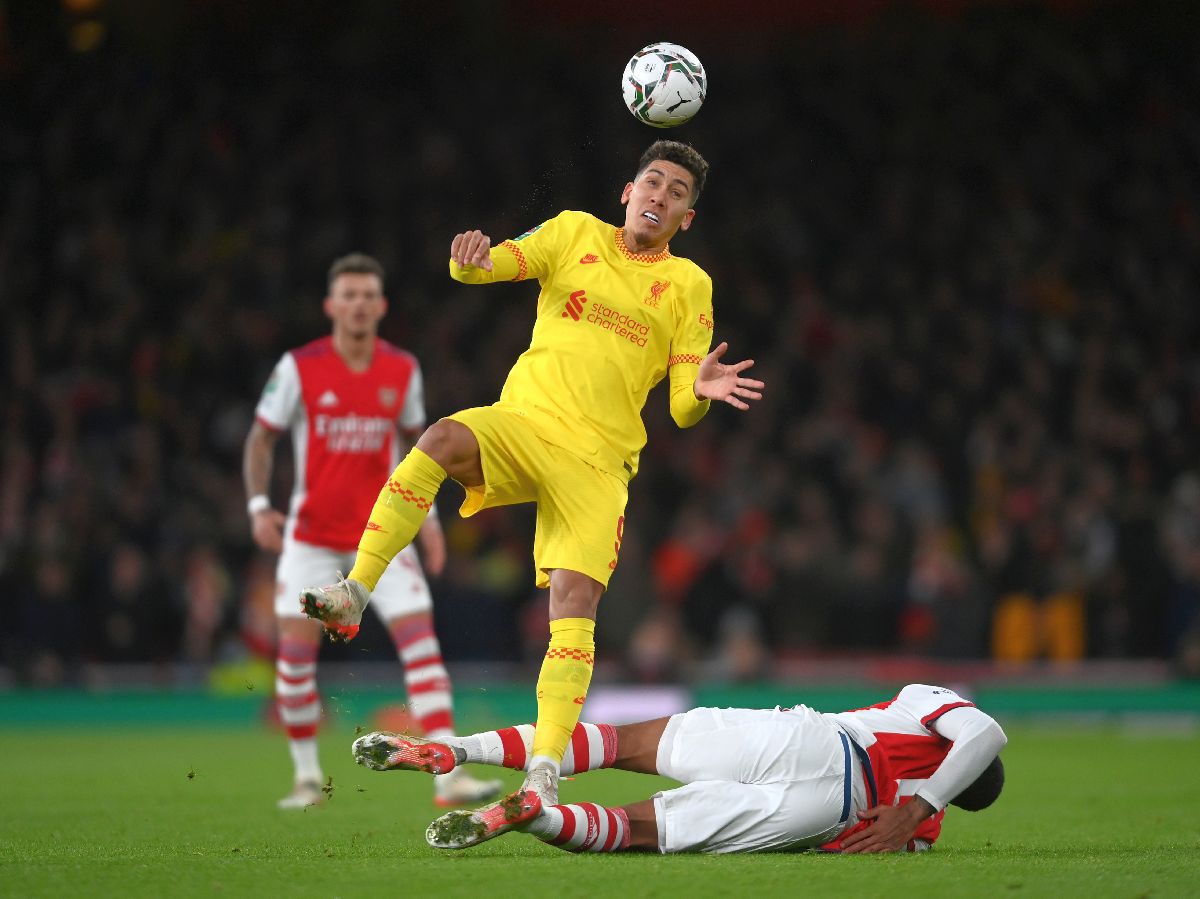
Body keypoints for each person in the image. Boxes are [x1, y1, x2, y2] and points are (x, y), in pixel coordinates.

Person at [298, 141, 766, 809]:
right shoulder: (572, 230)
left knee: (573, 608)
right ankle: (353, 591)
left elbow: (683, 408)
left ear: (687, 218)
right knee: (440, 438)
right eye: (653, 181)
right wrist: (468, 263)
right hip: (525, 422)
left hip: (599, 463)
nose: (662, 195)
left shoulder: (690, 286)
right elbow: (496, 264)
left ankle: (543, 769)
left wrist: (703, 386)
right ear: (627, 191)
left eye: (679, 192)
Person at [244, 252, 503, 810]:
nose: (359, 304)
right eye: (349, 295)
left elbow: (421, 454)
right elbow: (261, 437)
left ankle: (446, 777)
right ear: (331, 306)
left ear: (381, 306)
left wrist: (429, 522)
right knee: (293, 658)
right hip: (310, 541)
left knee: (422, 649)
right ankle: (308, 778)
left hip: (379, 541)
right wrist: (260, 505)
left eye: (368, 295)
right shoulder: (299, 367)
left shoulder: (402, 370)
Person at [352, 683, 1007, 854]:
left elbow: (984, 732)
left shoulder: (927, 703)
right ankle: (537, 816)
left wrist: (918, 802)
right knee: (639, 831)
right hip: (822, 814)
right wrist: (918, 813)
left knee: (618, 740)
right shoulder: (916, 830)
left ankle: (457, 748)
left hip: (823, 740)